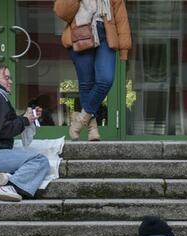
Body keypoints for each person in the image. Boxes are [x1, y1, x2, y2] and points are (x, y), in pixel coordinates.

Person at [54, 0, 132, 141]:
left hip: (106, 35)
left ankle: (81, 119)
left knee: (106, 80)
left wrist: (124, 48)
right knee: (87, 83)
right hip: (80, 33)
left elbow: (121, 18)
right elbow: (62, 12)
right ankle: (92, 128)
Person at [0, 63, 51, 202]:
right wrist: (25, 120)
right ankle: (10, 187)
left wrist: (26, 117)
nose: (10, 81)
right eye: (6, 78)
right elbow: (2, 129)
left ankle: (7, 177)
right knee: (40, 161)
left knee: (27, 159)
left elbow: (1, 125)